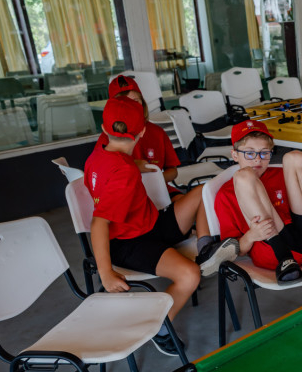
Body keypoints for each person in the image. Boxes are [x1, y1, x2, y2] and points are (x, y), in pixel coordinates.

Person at [85, 96, 240, 355]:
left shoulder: (99, 152)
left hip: (150, 224)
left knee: (202, 191)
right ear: (142, 132)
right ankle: (161, 328)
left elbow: (110, 168)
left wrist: (133, 163)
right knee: (189, 275)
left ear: (103, 129)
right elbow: (99, 222)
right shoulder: (124, 173)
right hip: (128, 243)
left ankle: (206, 250)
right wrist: (106, 273)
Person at [213, 120, 302, 285]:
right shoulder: (225, 195)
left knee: (295, 156)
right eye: (249, 153)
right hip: (275, 254)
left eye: (264, 153)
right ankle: (285, 259)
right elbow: (235, 250)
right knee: (244, 176)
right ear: (235, 155)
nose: (257, 160)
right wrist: (251, 236)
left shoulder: (282, 173)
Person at [96, 75, 182, 197]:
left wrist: (154, 181)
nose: (131, 108)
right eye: (124, 103)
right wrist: (134, 165)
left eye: (135, 101)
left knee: (196, 198)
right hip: (128, 196)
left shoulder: (157, 132)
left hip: (159, 191)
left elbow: (173, 171)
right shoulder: (108, 137)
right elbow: (102, 171)